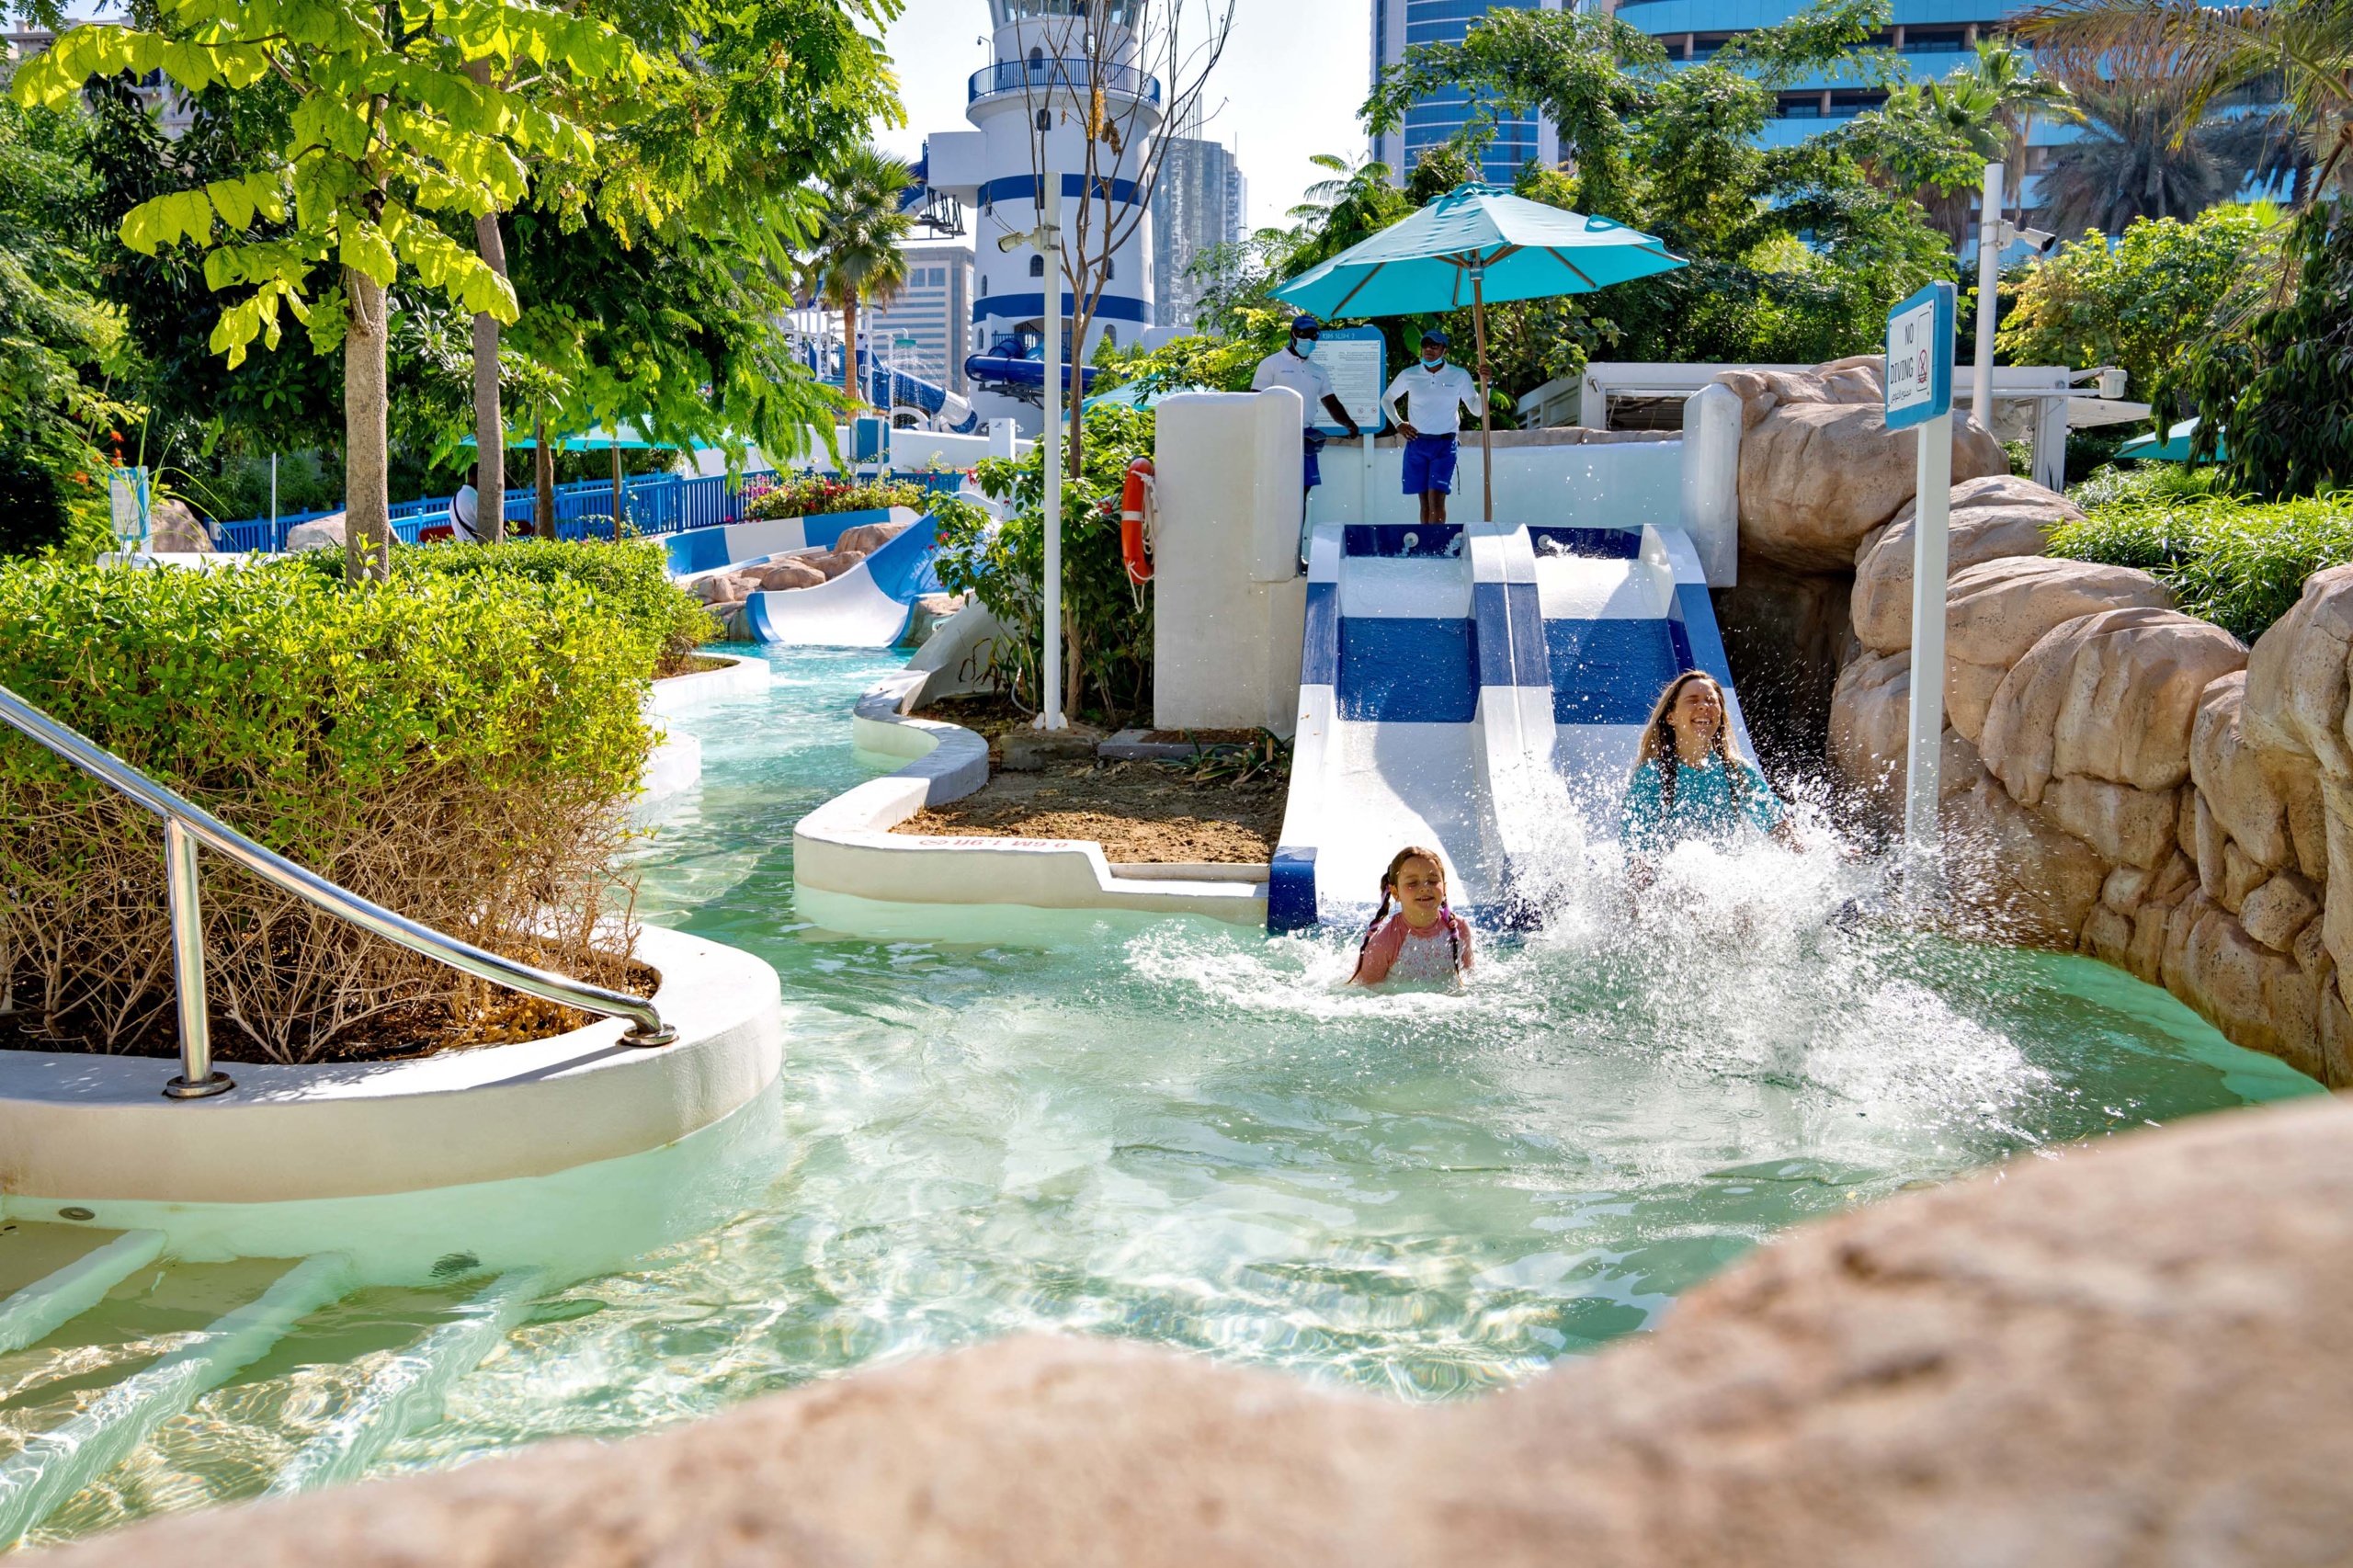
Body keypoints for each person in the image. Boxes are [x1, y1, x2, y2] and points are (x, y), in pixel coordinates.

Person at [1620, 671, 1796, 874]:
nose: (1704, 706)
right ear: (1671, 717)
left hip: (1726, 888)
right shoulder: (1651, 777)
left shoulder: (1736, 771)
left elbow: (1777, 826)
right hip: (1671, 893)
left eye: (1711, 701)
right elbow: (1637, 858)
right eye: (1692, 700)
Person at [1251, 315, 1362, 552]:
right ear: (1293, 334)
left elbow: (1331, 402)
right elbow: (1255, 401)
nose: (1309, 338)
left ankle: (1294, 550)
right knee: (1278, 492)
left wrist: (1349, 423)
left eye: (1314, 335)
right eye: (1304, 333)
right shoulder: (1271, 364)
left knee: (1301, 494)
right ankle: (1272, 548)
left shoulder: (1318, 371)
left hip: (1306, 438)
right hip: (1277, 437)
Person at [1380, 329, 1482, 526]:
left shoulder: (1459, 375)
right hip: (1417, 443)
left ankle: (1437, 545)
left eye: (1435, 345)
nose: (1429, 349)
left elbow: (1477, 410)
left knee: (1437, 499)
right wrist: (1398, 423)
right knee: (1425, 503)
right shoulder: (1410, 374)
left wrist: (1487, 385)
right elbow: (1386, 400)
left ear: (1445, 350)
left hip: (1444, 445)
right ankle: (1426, 545)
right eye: (1425, 344)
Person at [1349, 846, 1474, 988]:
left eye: (1433, 881)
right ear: (1395, 893)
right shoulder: (1383, 944)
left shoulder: (1460, 928)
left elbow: (1469, 977)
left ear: (1444, 888)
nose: (1425, 887)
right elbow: (1367, 993)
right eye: (1412, 883)